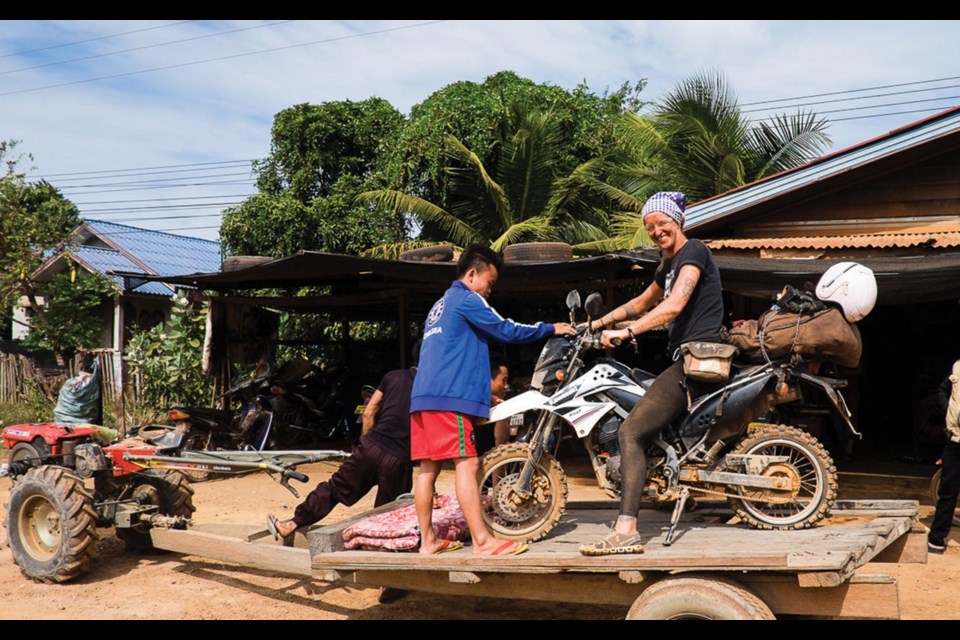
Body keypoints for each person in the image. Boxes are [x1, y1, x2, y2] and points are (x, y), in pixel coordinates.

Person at [579, 191, 724, 556]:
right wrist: (596, 324)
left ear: (678, 222)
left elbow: (673, 306)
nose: (657, 231)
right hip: (684, 357)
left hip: (696, 359)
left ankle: (627, 530)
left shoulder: (694, 252)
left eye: (662, 223)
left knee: (630, 432)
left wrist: (628, 333)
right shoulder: (667, 264)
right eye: (650, 227)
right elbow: (641, 303)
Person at [410, 245, 575, 556]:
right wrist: (551, 328)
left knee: (427, 470)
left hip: (423, 396)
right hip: (449, 398)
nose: (490, 290)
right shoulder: (467, 298)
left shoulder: (440, 304)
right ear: (472, 275)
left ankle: (428, 541)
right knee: (468, 463)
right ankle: (483, 542)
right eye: (490, 281)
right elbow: (507, 330)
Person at [266, 340, 421, 546]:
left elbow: (368, 413)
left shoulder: (392, 376)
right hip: (399, 459)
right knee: (389, 508)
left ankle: (292, 523)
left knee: (333, 489)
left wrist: (365, 443)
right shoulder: (434, 388)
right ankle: (374, 546)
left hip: (372, 447)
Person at [928, 357, 960, 554]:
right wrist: (948, 410)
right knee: (948, 493)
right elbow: (943, 390)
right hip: (955, 441)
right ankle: (936, 540)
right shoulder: (957, 365)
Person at [474, 357, 511, 456]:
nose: (507, 386)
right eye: (504, 381)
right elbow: (500, 445)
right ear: (489, 380)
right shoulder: (473, 407)